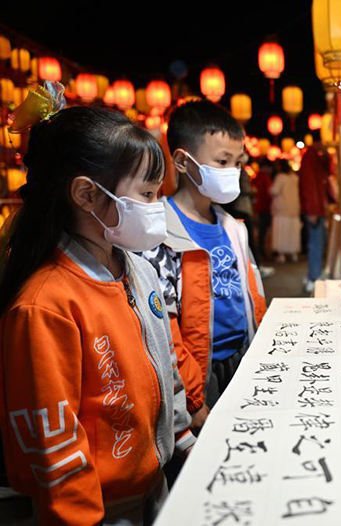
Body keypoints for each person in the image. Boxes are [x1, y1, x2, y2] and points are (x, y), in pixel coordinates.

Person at [0, 92, 194, 525]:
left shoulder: (137, 269)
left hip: (153, 489)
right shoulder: (45, 306)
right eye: (145, 193)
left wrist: (182, 438)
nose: (155, 207)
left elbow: (164, 362)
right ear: (86, 194)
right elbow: (55, 446)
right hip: (99, 513)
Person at [141, 100, 267, 419]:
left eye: (237, 163)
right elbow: (165, 330)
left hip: (243, 357)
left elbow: (253, 296)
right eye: (222, 162)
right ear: (183, 161)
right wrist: (192, 398)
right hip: (198, 370)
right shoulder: (160, 235)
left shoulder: (233, 228)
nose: (233, 173)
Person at [223, 164, 275, 278]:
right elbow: (244, 189)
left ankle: (252, 268)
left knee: (247, 240)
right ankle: (254, 268)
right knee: (247, 240)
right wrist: (252, 190)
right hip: (241, 209)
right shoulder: (240, 172)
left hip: (239, 209)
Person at [298, 144, 334, 293]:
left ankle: (312, 276)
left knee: (316, 242)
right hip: (315, 209)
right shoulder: (311, 158)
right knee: (316, 244)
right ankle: (314, 278)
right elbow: (310, 185)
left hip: (316, 208)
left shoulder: (313, 158)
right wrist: (313, 209)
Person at [270, 159, 302, 263]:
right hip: (294, 209)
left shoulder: (281, 178)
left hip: (282, 209)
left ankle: (281, 254)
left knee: (281, 233)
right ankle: (293, 254)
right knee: (292, 233)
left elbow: (274, 191)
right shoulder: (295, 178)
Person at [252, 160, 274, 264]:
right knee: (263, 231)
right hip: (264, 207)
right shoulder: (264, 178)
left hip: (259, 207)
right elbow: (267, 193)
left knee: (261, 230)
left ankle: (261, 251)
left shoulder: (257, 177)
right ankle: (262, 251)